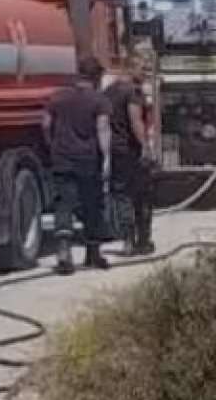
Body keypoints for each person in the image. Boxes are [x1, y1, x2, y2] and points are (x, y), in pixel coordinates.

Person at [44, 56, 112, 274]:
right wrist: (107, 157)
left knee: (64, 204)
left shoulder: (57, 98)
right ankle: (93, 253)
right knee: (92, 204)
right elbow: (102, 129)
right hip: (88, 160)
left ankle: (64, 253)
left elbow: (45, 124)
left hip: (62, 158)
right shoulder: (99, 101)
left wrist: (52, 144)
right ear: (96, 77)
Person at [104, 55, 155, 256]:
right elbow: (135, 121)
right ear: (131, 69)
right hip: (132, 150)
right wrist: (145, 146)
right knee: (142, 195)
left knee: (122, 195)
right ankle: (142, 242)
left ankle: (126, 240)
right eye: (144, 69)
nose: (146, 73)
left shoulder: (108, 92)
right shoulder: (133, 92)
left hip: (115, 149)